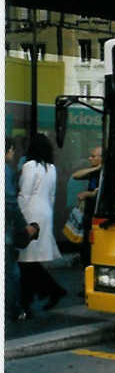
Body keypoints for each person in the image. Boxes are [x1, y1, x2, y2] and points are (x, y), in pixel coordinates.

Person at [17, 133, 66, 311]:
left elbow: (25, 193)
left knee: (26, 259)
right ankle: (43, 294)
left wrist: (19, 218)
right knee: (29, 260)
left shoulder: (30, 166)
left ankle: (46, 293)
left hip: (31, 212)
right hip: (45, 212)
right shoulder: (51, 168)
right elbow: (52, 195)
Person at [5, 138, 39, 320]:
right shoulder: (5, 171)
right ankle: (15, 311)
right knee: (11, 273)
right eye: (12, 150)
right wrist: (24, 226)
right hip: (5, 233)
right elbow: (10, 204)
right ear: (8, 150)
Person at [72, 145, 102, 295]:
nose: (90, 158)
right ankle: (87, 284)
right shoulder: (95, 171)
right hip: (88, 216)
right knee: (85, 251)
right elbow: (76, 175)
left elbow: (100, 193)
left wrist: (88, 194)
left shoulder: (106, 174)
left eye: (93, 156)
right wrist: (95, 169)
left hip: (98, 217)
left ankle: (93, 284)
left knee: (92, 251)